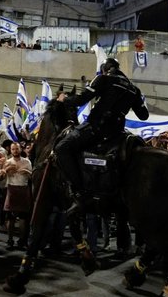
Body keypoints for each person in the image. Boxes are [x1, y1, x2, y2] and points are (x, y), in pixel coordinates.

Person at [55, 57, 148, 213]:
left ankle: (80, 193)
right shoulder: (134, 89)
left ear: (105, 68)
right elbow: (143, 115)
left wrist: (64, 100)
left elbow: (81, 99)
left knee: (61, 148)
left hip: (96, 128)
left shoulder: (104, 78)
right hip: (117, 133)